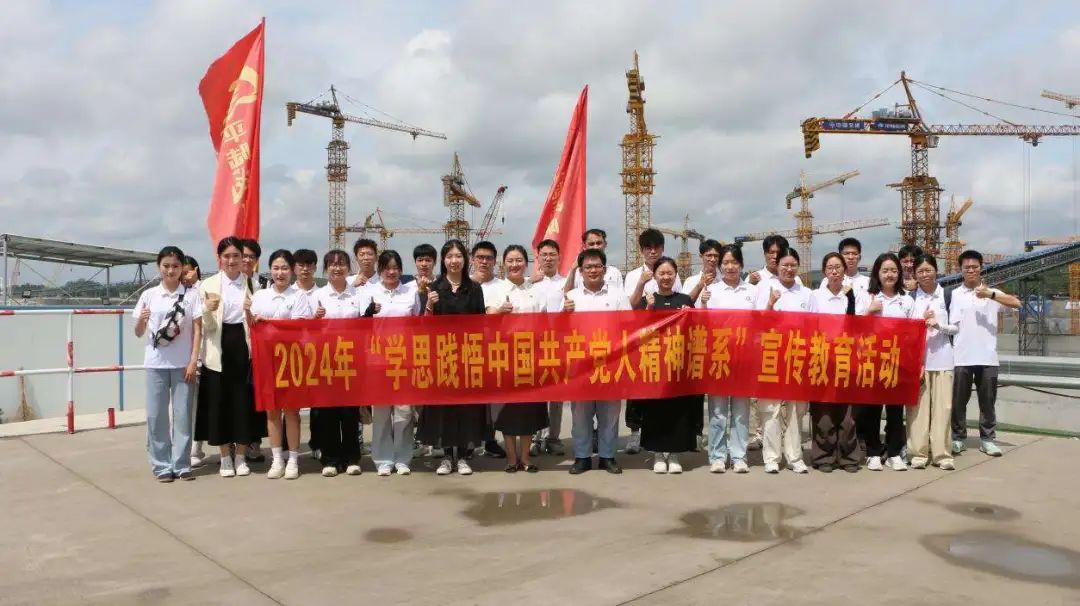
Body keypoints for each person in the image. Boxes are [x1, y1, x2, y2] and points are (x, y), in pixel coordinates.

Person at [417, 239, 490, 476]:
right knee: (445, 408)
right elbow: (424, 327)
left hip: (468, 357)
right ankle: (447, 456)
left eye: (458, 256)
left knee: (467, 407)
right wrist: (429, 305)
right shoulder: (435, 287)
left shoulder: (474, 288)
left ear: (465, 260)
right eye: (449, 256)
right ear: (443, 260)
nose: (454, 261)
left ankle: (465, 456)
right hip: (443, 357)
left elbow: (481, 324)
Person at [195, 237, 265, 478]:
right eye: (227, 256)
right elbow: (206, 326)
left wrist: (252, 312)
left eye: (236, 255)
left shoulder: (253, 284)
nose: (232, 260)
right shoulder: (208, 284)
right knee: (219, 403)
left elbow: (259, 321)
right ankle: (225, 456)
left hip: (244, 346)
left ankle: (242, 456)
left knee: (243, 402)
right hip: (217, 347)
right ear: (219, 259)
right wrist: (207, 309)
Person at [134, 246, 203, 482]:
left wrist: (193, 361)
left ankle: (182, 463)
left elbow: (197, 331)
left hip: (183, 364)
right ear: (159, 267)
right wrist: (141, 321)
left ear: (182, 267)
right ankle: (161, 464)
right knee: (156, 416)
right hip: (155, 364)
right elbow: (138, 332)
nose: (170, 270)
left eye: (175, 266)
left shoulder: (192, 295)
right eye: (166, 266)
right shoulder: (149, 295)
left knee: (183, 416)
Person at [246, 249, 311, 480]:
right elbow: (252, 326)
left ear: (292, 270)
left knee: (292, 411)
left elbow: (299, 328)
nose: (280, 273)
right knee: (272, 410)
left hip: (291, 360)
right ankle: (276, 459)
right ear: (270, 270)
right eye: (275, 268)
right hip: (266, 360)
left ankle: (293, 458)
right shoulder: (260, 296)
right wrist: (249, 314)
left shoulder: (299, 296)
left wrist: (270, 323)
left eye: (284, 268)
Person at [564, 248, 629, 475]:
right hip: (580, 364)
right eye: (588, 267)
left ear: (605, 269)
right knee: (580, 413)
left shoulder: (618, 295)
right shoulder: (571, 297)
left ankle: (607, 456)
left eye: (597, 266)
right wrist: (564, 313)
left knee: (609, 413)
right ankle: (582, 457)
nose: (593, 270)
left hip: (610, 362)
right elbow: (559, 331)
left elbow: (630, 325)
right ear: (580, 271)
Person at [949, 250, 1021, 457]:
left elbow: (1016, 303)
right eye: (967, 267)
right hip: (961, 356)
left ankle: (987, 440)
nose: (971, 270)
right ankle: (958, 438)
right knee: (958, 402)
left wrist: (989, 294)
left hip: (987, 357)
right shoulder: (954, 294)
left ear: (981, 268)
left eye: (975, 267)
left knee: (987, 402)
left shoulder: (993, 293)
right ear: (960, 269)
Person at [489, 245, 550, 473]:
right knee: (508, 411)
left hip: (531, 356)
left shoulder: (536, 291)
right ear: (504, 263)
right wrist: (499, 311)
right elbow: (485, 317)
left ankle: (525, 458)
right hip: (505, 357)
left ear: (526, 263)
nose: (515, 265)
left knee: (528, 410)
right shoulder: (496, 289)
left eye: (519, 260)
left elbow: (545, 323)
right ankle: (511, 458)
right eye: (510, 260)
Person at [635, 257, 698, 474]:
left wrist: (690, 314)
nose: (666, 277)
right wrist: (648, 308)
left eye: (670, 273)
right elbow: (638, 330)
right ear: (654, 276)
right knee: (655, 410)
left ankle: (675, 454)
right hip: (654, 364)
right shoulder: (648, 300)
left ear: (675, 275)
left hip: (678, 365)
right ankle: (658, 453)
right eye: (661, 273)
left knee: (678, 410)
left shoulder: (685, 300)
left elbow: (696, 330)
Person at [624, 228, 683, 454]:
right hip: (640, 339)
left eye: (656, 247)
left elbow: (678, 303)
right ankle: (634, 432)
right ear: (641, 250)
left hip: (665, 340)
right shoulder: (632, 275)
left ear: (662, 249)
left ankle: (661, 434)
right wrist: (641, 283)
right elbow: (629, 306)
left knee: (661, 386)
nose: (652, 251)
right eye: (648, 248)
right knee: (636, 388)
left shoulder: (671, 272)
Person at [312, 249, 370, 477]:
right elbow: (306, 329)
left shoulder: (359, 294)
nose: (337, 268)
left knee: (349, 412)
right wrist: (315, 319)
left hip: (352, 361)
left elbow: (366, 325)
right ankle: (330, 459)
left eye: (341, 264)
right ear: (326, 269)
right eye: (332, 264)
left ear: (349, 268)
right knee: (327, 412)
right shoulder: (317, 295)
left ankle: (352, 458)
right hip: (326, 361)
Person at [807, 252, 867, 473]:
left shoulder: (854, 294)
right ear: (824, 271)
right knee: (823, 411)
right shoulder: (815, 296)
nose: (834, 271)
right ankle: (823, 456)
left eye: (838, 267)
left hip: (846, 359)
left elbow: (858, 326)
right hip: (822, 358)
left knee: (847, 413)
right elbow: (810, 325)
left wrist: (850, 300)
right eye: (830, 267)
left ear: (844, 270)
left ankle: (848, 456)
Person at [754, 247, 812, 474]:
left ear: (798, 266)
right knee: (771, 409)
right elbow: (756, 324)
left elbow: (815, 325)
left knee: (797, 410)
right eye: (784, 265)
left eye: (792, 265)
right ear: (776, 266)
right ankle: (771, 457)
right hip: (771, 355)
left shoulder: (806, 294)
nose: (789, 269)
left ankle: (795, 457)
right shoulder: (764, 289)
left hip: (798, 356)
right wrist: (770, 304)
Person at [700, 243, 756, 474]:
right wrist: (703, 303)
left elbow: (761, 323)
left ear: (741, 264)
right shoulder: (711, 291)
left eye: (734, 262)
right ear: (719, 265)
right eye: (725, 262)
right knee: (718, 411)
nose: (730, 267)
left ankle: (739, 456)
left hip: (744, 358)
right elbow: (701, 325)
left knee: (741, 411)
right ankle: (717, 456)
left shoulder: (752, 291)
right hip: (718, 357)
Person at [365, 250, 421, 476]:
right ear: (380, 270)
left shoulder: (411, 292)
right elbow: (361, 324)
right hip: (378, 360)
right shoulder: (369, 292)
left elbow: (418, 323)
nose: (391, 272)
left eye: (395, 267)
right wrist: (369, 312)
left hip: (404, 359)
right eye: (387, 267)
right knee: (381, 412)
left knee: (404, 411)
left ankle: (402, 458)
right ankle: (383, 460)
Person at [858, 252, 913, 471]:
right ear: (877, 273)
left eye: (893, 270)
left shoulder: (906, 300)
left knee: (895, 410)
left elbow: (913, 333)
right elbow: (854, 329)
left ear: (899, 273)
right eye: (885, 270)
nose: (889, 275)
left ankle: (893, 452)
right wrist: (869, 312)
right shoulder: (868, 297)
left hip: (898, 362)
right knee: (872, 409)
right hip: (872, 360)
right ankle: (873, 451)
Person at [909, 254, 958, 471]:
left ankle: (942, 454)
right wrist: (920, 322)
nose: (924, 274)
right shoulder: (911, 298)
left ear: (936, 271)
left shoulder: (948, 295)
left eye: (928, 270)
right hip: (919, 362)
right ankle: (918, 453)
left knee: (943, 409)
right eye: (920, 271)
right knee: (917, 410)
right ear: (915, 274)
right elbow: (905, 329)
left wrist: (938, 325)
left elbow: (956, 328)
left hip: (943, 359)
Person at [529, 239, 568, 457]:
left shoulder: (567, 283)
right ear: (538, 258)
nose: (548, 258)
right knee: (537, 394)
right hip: (535, 345)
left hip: (559, 344)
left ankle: (553, 437)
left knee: (557, 395)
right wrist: (528, 282)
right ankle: (536, 438)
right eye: (544, 255)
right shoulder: (530, 283)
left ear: (559, 257)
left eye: (552, 254)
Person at [471, 240, 509, 459]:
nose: (484, 262)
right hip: (469, 349)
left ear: (495, 261)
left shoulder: (503, 286)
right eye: (480, 257)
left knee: (495, 399)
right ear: (472, 259)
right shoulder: (464, 284)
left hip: (496, 348)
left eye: (488, 258)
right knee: (472, 398)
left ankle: (490, 440)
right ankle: (470, 441)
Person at [291, 249, 322, 460]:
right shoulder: (288, 293)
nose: (305, 269)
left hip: (318, 355)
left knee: (317, 404)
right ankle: (289, 446)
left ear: (315, 267)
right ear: (294, 268)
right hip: (293, 354)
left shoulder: (322, 293)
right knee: (290, 403)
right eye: (301, 265)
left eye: (309, 264)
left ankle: (317, 443)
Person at [348, 238, 379, 449]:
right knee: (356, 393)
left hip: (380, 344)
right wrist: (352, 286)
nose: (366, 258)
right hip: (354, 346)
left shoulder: (384, 280)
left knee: (380, 392)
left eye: (369, 254)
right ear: (356, 257)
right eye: (362, 254)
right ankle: (356, 438)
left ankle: (383, 441)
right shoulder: (348, 282)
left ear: (376, 257)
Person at [240, 239, 268, 462]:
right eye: (244, 256)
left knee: (256, 398)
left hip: (259, 349)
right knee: (237, 398)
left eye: (252, 256)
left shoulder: (265, 284)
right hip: (235, 347)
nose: (247, 260)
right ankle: (235, 443)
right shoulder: (228, 284)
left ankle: (254, 442)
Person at [182, 256, 207, 469]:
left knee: (197, 407)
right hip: (181, 357)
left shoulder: (203, 290)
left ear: (195, 270)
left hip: (201, 357)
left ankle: (195, 449)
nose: (184, 275)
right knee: (181, 407)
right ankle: (181, 448)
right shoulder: (177, 291)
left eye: (186, 271)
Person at [562, 228, 624, 294]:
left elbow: (620, 296)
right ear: (584, 246)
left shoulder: (614, 272)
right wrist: (573, 269)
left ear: (605, 244)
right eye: (591, 244)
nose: (595, 247)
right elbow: (566, 294)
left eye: (599, 243)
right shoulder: (577, 271)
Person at [682, 239, 721, 305]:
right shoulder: (690, 281)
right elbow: (683, 304)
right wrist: (700, 285)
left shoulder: (724, 281)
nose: (713, 259)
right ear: (701, 256)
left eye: (716, 256)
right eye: (709, 255)